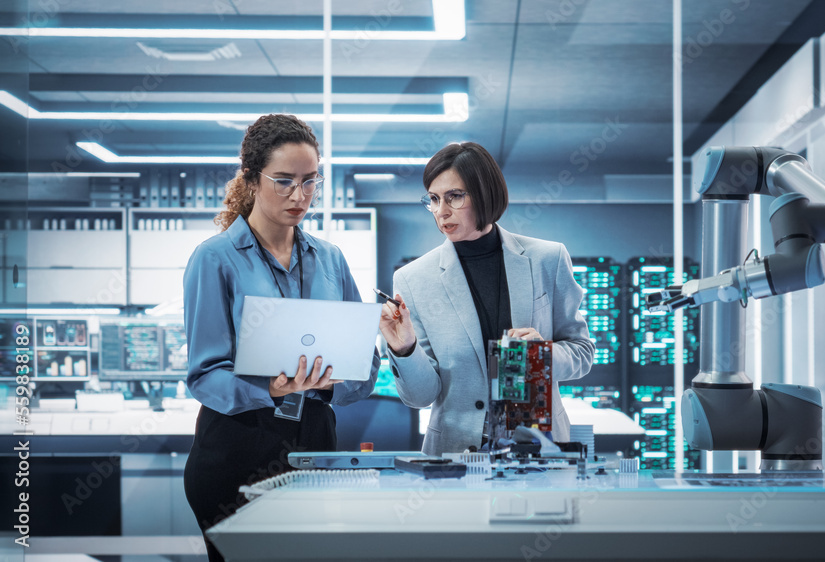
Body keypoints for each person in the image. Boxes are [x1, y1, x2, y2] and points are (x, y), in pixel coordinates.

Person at [182, 114, 378, 561]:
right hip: (236, 445)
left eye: (310, 182)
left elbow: (364, 370)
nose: (300, 196)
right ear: (252, 179)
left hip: (314, 441)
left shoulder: (330, 259)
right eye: (284, 181)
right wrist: (269, 388)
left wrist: (330, 381)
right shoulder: (215, 259)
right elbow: (204, 376)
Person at [378, 141, 594, 456]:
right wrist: (405, 348)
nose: (442, 212)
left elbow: (582, 353)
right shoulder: (413, 279)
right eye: (434, 199)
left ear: (484, 194)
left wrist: (541, 356)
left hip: (538, 447)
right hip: (454, 451)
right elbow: (421, 397)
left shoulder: (548, 258)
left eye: (454, 196)